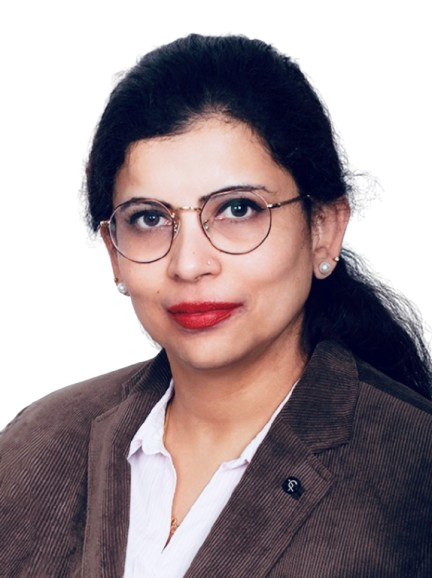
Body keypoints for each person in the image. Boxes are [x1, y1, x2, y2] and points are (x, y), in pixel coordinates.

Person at [1, 33, 431, 577]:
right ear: (113, 252)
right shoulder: (36, 445)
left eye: (237, 209)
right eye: (149, 218)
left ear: (324, 228)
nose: (188, 264)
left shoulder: (414, 471)